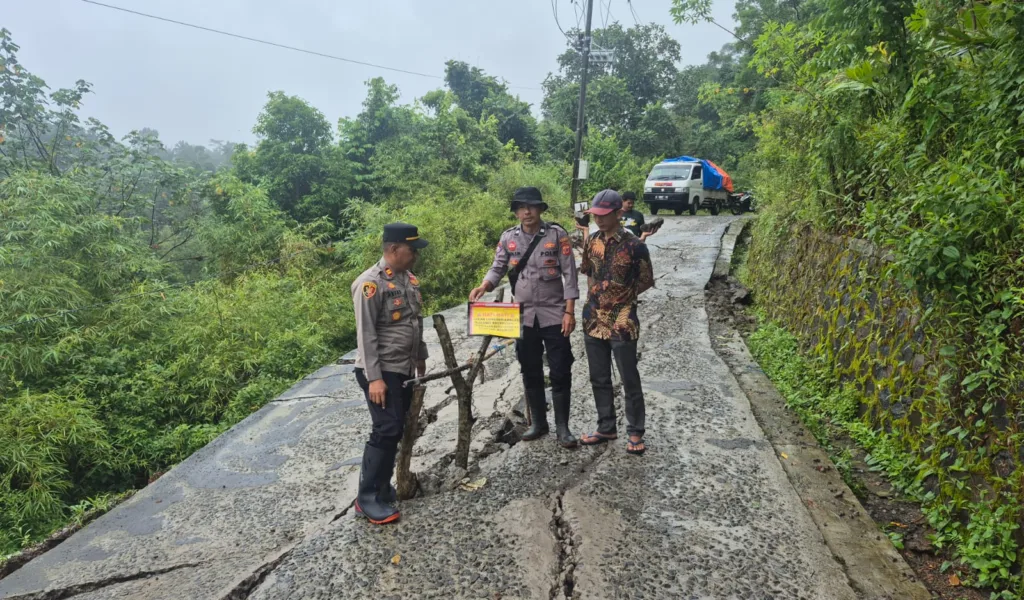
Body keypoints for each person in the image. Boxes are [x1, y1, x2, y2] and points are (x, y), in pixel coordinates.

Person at [469, 187, 580, 448]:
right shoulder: (509, 238)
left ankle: (563, 428)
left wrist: (569, 312)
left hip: (554, 314)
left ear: (541, 209)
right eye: (521, 207)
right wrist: (484, 285)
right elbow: (498, 266)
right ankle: (538, 423)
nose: (526, 212)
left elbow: (570, 275)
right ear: (516, 211)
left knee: (560, 369)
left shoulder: (557, 234)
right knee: (529, 369)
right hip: (523, 316)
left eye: (531, 207)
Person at [351, 223, 429, 524]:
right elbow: (366, 334)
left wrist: (420, 356)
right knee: (386, 429)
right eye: (412, 250)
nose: (415, 256)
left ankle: (382, 489)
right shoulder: (369, 284)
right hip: (380, 371)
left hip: (403, 366)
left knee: (394, 429)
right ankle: (367, 498)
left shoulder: (408, 279)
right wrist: (375, 378)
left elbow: (413, 321)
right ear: (394, 249)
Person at [578, 190, 655, 455]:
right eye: (595, 215)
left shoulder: (635, 246)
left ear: (618, 214)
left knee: (629, 377)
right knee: (598, 377)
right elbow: (588, 273)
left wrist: (622, 300)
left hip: (623, 322)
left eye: (604, 215)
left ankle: (635, 431)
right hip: (593, 320)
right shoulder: (592, 243)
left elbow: (646, 280)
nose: (598, 220)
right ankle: (606, 427)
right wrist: (596, 300)